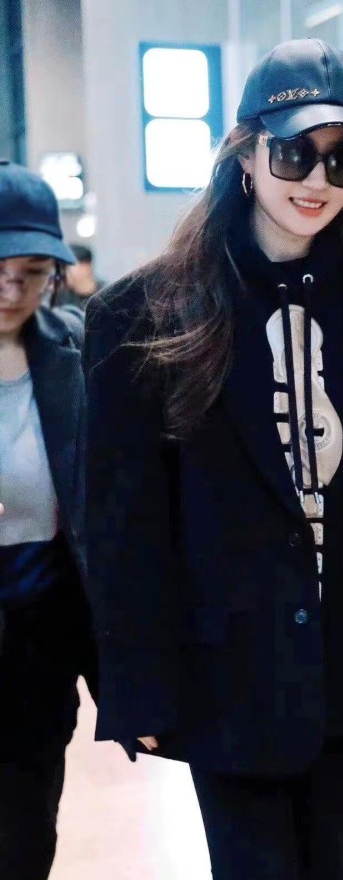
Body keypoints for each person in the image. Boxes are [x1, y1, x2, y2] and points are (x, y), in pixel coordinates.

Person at [84, 38, 343, 879]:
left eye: (342, 157)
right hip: (225, 672)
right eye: (294, 152)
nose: (316, 179)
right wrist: (139, 682)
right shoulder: (145, 317)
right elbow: (121, 522)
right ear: (245, 154)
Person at [0, 160, 97, 880]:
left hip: (37, 645)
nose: (13, 291)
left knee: (25, 838)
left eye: (31, 273)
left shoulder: (73, 351)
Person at [55, 243, 106, 309]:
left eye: (66, 266)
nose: (62, 271)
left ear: (85, 267)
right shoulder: (60, 296)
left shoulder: (107, 295)